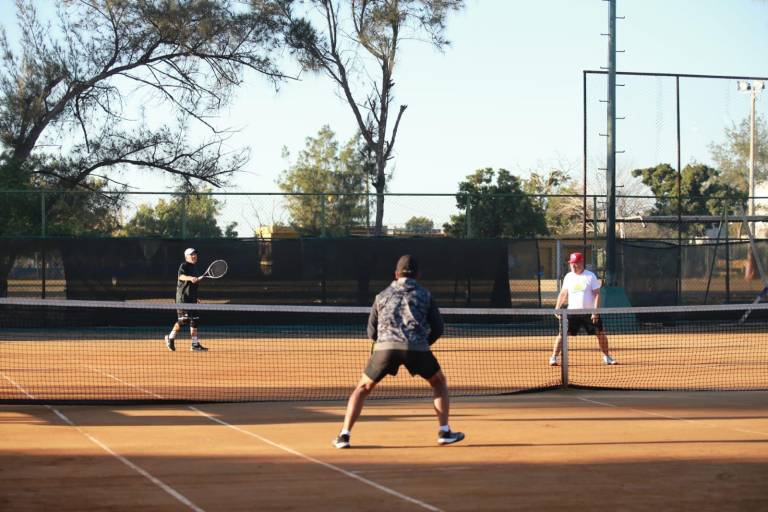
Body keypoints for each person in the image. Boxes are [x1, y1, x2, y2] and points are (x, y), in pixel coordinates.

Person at [332, 255, 464, 449]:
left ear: (396, 274)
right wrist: (423, 344)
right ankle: (444, 431)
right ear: (419, 275)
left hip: (385, 349)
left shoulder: (381, 296)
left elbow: (371, 331)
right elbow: (438, 329)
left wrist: (381, 345)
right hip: (417, 347)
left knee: (362, 388)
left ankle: (344, 436)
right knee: (439, 382)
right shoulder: (426, 295)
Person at [549, 252, 616, 366]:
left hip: (589, 313)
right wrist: (557, 307)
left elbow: (597, 295)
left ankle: (607, 357)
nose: (574, 266)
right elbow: (563, 293)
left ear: (581, 263)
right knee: (562, 334)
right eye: (572, 264)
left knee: (600, 333)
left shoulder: (590, 276)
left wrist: (595, 312)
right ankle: (554, 357)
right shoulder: (568, 277)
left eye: (576, 264)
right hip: (571, 313)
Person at [164, 248, 208, 352]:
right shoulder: (184, 265)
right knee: (184, 320)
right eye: (191, 254)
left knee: (195, 320)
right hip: (183, 298)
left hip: (191, 298)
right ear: (186, 256)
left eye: (195, 254)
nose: (194, 256)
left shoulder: (195, 268)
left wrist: (195, 297)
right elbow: (181, 276)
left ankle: (194, 344)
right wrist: (190, 278)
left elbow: (192, 286)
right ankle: (170, 338)